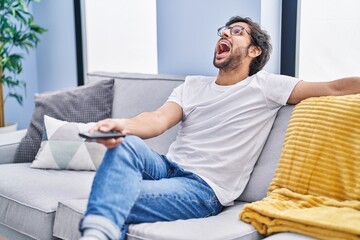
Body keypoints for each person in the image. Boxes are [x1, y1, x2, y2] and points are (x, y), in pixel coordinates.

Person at [79, 16, 360, 240]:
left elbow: (333, 88)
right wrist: (122, 125)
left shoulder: (266, 86)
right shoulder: (192, 85)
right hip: (165, 168)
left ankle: (96, 232)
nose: (224, 34)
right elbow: (157, 120)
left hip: (203, 189)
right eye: (223, 31)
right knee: (125, 143)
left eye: (236, 31)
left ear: (254, 50)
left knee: (111, 193)